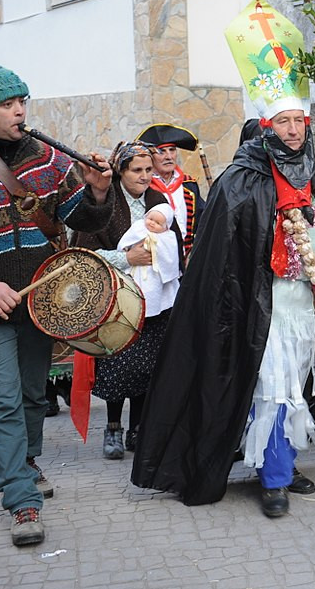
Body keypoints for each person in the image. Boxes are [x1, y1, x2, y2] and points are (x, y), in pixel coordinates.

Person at [131, 106, 315, 519]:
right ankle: (275, 478)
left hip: (302, 311)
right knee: (273, 392)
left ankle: (276, 461)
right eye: (281, 122)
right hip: (255, 312)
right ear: (267, 127)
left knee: (293, 391)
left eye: (298, 121)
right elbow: (227, 247)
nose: (292, 130)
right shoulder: (241, 179)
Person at [0, 57, 112, 546]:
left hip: (40, 304)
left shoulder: (48, 160)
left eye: (21, 101)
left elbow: (85, 222)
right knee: (2, 402)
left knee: (32, 396)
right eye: (7, 104)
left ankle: (26, 461)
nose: (19, 111)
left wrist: (97, 193)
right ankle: (21, 501)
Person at [71, 143, 183, 459]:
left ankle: (138, 429)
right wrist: (126, 256)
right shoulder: (104, 204)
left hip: (155, 302)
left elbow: (174, 245)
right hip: (117, 302)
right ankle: (113, 429)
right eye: (137, 170)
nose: (145, 176)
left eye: (149, 170)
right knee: (118, 367)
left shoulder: (158, 202)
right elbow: (84, 255)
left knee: (148, 367)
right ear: (121, 171)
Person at [135, 124, 205, 259]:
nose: (168, 156)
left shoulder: (188, 185)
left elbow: (201, 221)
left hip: (186, 261)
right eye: (161, 151)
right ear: (150, 156)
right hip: (153, 261)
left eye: (172, 150)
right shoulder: (143, 187)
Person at [116, 203, 182, 317]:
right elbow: (126, 239)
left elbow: (170, 258)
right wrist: (125, 249)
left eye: (158, 223)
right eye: (151, 219)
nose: (152, 223)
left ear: (166, 228)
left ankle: (152, 311)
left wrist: (168, 273)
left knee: (153, 292)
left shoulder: (168, 237)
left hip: (155, 272)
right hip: (136, 269)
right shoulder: (139, 227)